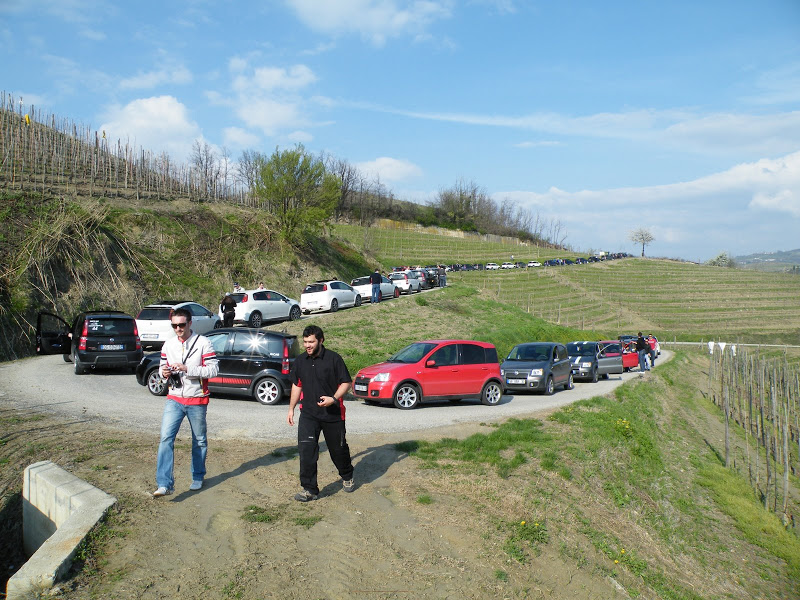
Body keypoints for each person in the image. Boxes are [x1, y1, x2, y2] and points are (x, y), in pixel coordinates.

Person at [152, 308, 219, 497]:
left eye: (181, 325)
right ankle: (164, 483)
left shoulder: (204, 343)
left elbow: (213, 370)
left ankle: (198, 476)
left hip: (197, 399)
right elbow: (161, 367)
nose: (178, 329)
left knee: (199, 440)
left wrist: (187, 368)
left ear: (190, 323)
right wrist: (164, 374)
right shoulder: (168, 344)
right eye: (174, 325)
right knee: (165, 438)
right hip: (174, 398)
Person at [287, 325, 354, 501]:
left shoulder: (334, 359)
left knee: (338, 451)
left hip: (333, 414)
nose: (308, 345)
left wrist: (333, 398)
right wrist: (291, 408)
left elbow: (346, 382)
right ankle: (309, 489)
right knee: (306, 451)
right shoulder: (300, 361)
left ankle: (347, 475)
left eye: (311, 342)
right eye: (305, 342)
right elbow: (297, 384)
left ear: (321, 341)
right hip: (309, 414)